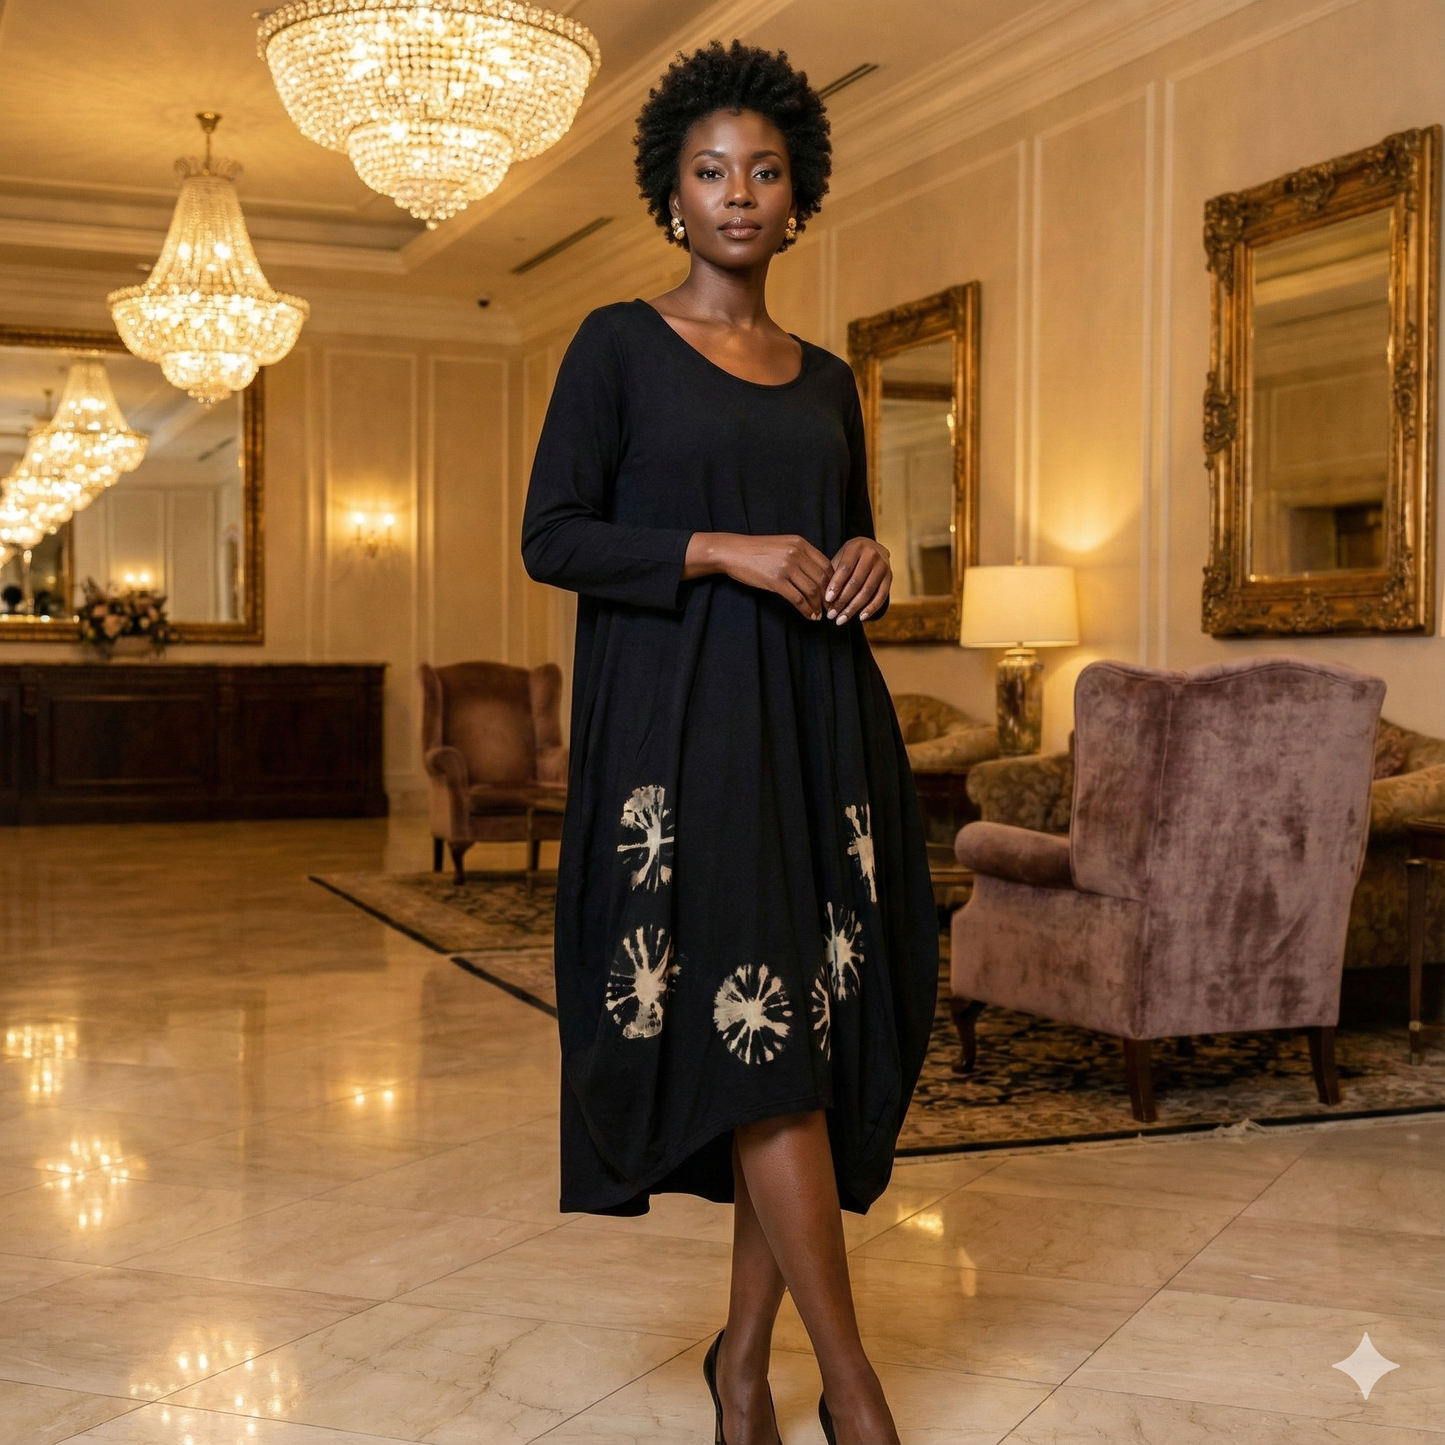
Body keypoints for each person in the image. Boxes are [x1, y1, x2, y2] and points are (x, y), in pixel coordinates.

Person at [522, 41, 938, 1445]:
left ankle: (744, 1367)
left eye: (765, 170)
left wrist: (867, 559)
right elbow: (554, 538)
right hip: (681, 738)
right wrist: (720, 551)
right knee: (763, 1044)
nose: (739, 193)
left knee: (800, 1053)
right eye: (712, 172)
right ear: (673, 196)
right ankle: (856, 1388)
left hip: (818, 731)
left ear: (798, 193)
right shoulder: (615, 345)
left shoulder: (828, 380)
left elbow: (841, 538)